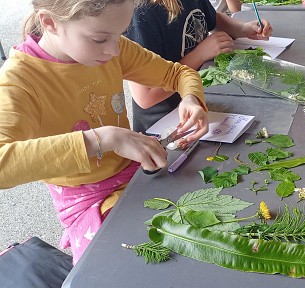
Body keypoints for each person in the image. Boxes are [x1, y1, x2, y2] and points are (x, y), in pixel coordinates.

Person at [0, 0, 209, 263]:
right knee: (124, 262)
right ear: (50, 23)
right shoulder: (19, 82)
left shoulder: (114, 48)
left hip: (134, 174)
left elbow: (176, 73)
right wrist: (102, 139)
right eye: (99, 39)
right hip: (86, 198)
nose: (113, 50)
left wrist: (191, 98)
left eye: (120, 35)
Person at [124, 0, 272, 134]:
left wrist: (243, 28)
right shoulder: (141, 15)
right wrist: (199, 55)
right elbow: (145, 96)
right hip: (165, 124)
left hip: (201, 100)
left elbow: (211, 17)